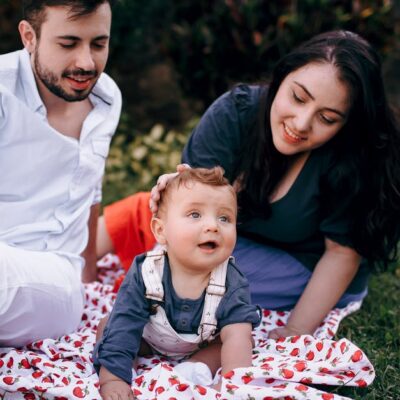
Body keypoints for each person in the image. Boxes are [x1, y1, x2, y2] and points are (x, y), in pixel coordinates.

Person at [97, 30, 400, 339]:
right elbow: (194, 202)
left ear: (347, 123)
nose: (301, 123)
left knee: (203, 279)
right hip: (237, 240)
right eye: (297, 97)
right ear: (282, 77)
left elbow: (341, 254)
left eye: (327, 118)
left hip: (308, 266)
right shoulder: (238, 111)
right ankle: (76, 271)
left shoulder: (354, 158)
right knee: (144, 210)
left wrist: (294, 330)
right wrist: (177, 190)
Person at [0, 0, 121, 347]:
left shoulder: (108, 98)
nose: (86, 63)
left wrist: (90, 276)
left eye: (99, 44)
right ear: (29, 37)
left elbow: (89, 189)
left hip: (52, 285)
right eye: (68, 44)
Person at [93, 167, 260, 399]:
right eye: (195, 214)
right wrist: (112, 379)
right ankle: (122, 371)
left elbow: (236, 334)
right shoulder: (146, 271)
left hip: (201, 345)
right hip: (148, 338)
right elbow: (127, 320)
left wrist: (232, 385)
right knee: (111, 326)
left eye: (224, 218)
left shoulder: (230, 279)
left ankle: (195, 369)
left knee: (241, 340)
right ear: (161, 231)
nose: (213, 226)